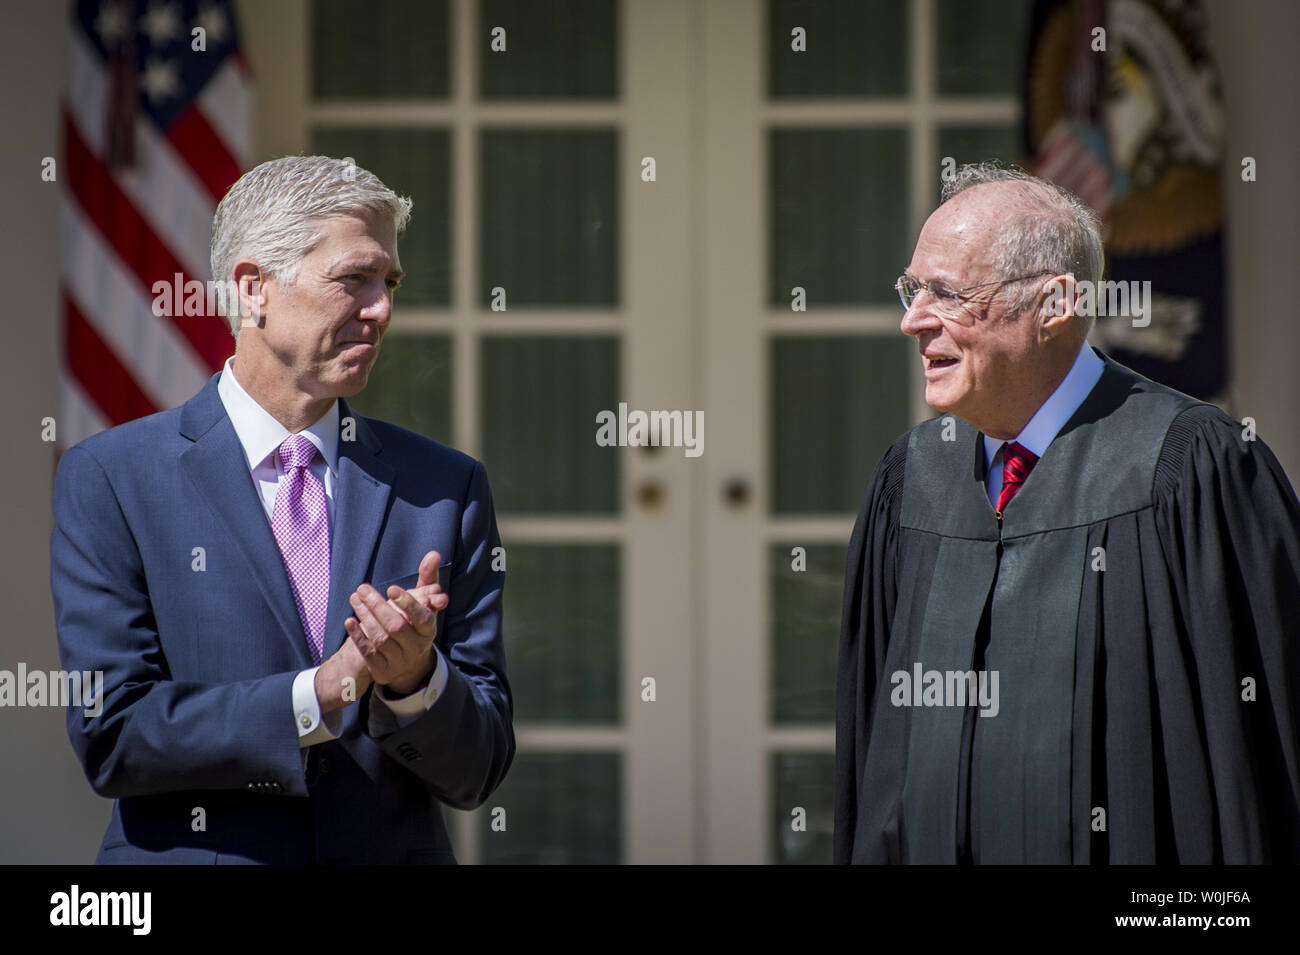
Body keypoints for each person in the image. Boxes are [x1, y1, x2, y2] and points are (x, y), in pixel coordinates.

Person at [51, 155, 513, 864]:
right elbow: (111, 734)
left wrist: (415, 682)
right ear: (253, 288)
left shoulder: (445, 489)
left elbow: (478, 768)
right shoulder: (112, 477)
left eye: (388, 283)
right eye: (353, 279)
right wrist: (317, 692)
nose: (382, 307)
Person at [835, 162, 1300, 864]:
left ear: (1054, 304)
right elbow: (873, 749)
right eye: (912, 288)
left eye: (947, 293)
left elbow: (1263, 757)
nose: (911, 320)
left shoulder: (1191, 471)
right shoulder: (912, 480)